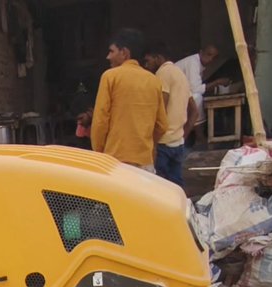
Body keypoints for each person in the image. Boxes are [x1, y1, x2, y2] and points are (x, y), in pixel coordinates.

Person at [91, 29, 167, 172]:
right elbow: (162, 125)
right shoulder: (154, 81)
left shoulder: (110, 77)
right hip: (145, 162)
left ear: (124, 53)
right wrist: (147, 145)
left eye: (111, 51)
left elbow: (100, 121)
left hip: (116, 161)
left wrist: (100, 152)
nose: (108, 57)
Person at [143, 42, 197, 188]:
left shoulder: (163, 73)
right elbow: (194, 112)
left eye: (148, 61)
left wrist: (151, 140)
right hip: (178, 142)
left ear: (158, 58)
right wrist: (183, 135)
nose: (146, 65)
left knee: (160, 187)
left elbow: (161, 110)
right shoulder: (180, 74)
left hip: (163, 143)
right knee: (177, 186)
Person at [175, 45, 230, 145]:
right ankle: (199, 135)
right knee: (197, 98)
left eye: (213, 57)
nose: (210, 59)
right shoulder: (193, 62)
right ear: (201, 52)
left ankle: (194, 136)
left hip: (178, 93)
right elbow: (195, 89)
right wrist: (217, 82)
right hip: (171, 93)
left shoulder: (200, 65)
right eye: (208, 55)